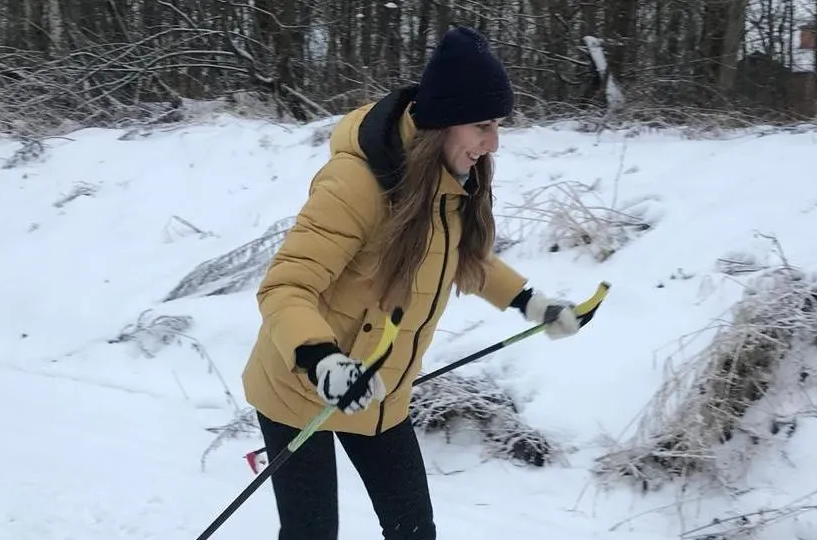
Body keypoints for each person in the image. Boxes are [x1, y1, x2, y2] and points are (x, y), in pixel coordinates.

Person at [241, 25, 580, 540]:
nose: (493, 143)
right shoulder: (356, 184)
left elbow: (466, 260)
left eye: (498, 125)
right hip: (298, 384)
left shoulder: (448, 185)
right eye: (483, 125)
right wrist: (323, 361)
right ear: (443, 124)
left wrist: (533, 303)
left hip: (378, 388)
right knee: (312, 534)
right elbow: (285, 287)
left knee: (414, 529)